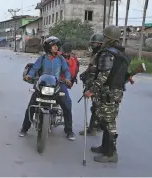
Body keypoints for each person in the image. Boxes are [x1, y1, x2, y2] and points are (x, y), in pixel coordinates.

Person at [84, 25, 129, 163]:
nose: (103, 39)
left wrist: (92, 90)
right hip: (115, 92)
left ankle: (111, 154)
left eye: (104, 37)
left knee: (109, 123)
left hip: (108, 92)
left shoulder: (107, 53)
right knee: (105, 119)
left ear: (108, 38)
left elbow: (103, 76)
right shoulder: (122, 54)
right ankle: (104, 147)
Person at [20, 36, 76, 141]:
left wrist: (68, 79)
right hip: (42, 83)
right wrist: (29, 75)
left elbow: (66, 70)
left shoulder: (61, 58)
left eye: (57, 46)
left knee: (67, 104)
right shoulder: (42, 58)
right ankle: (24, 128)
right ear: (48, 47)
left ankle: (69, 130)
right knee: (31, 105)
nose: (56, 48)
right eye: (54, 46)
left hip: (57, 84)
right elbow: (35, 68)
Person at [78, 33, 104, 136]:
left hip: (98, 83)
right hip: (94, 81)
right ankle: (97, 126)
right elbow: (91, 66)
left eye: (94, 43)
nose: (92, 44)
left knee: (96, 106)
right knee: (96, 106)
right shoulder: (96, 53)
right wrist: (86, 73)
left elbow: (98, 70)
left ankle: (92, 128)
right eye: (92, 43)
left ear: (100, 43)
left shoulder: (102, 54)